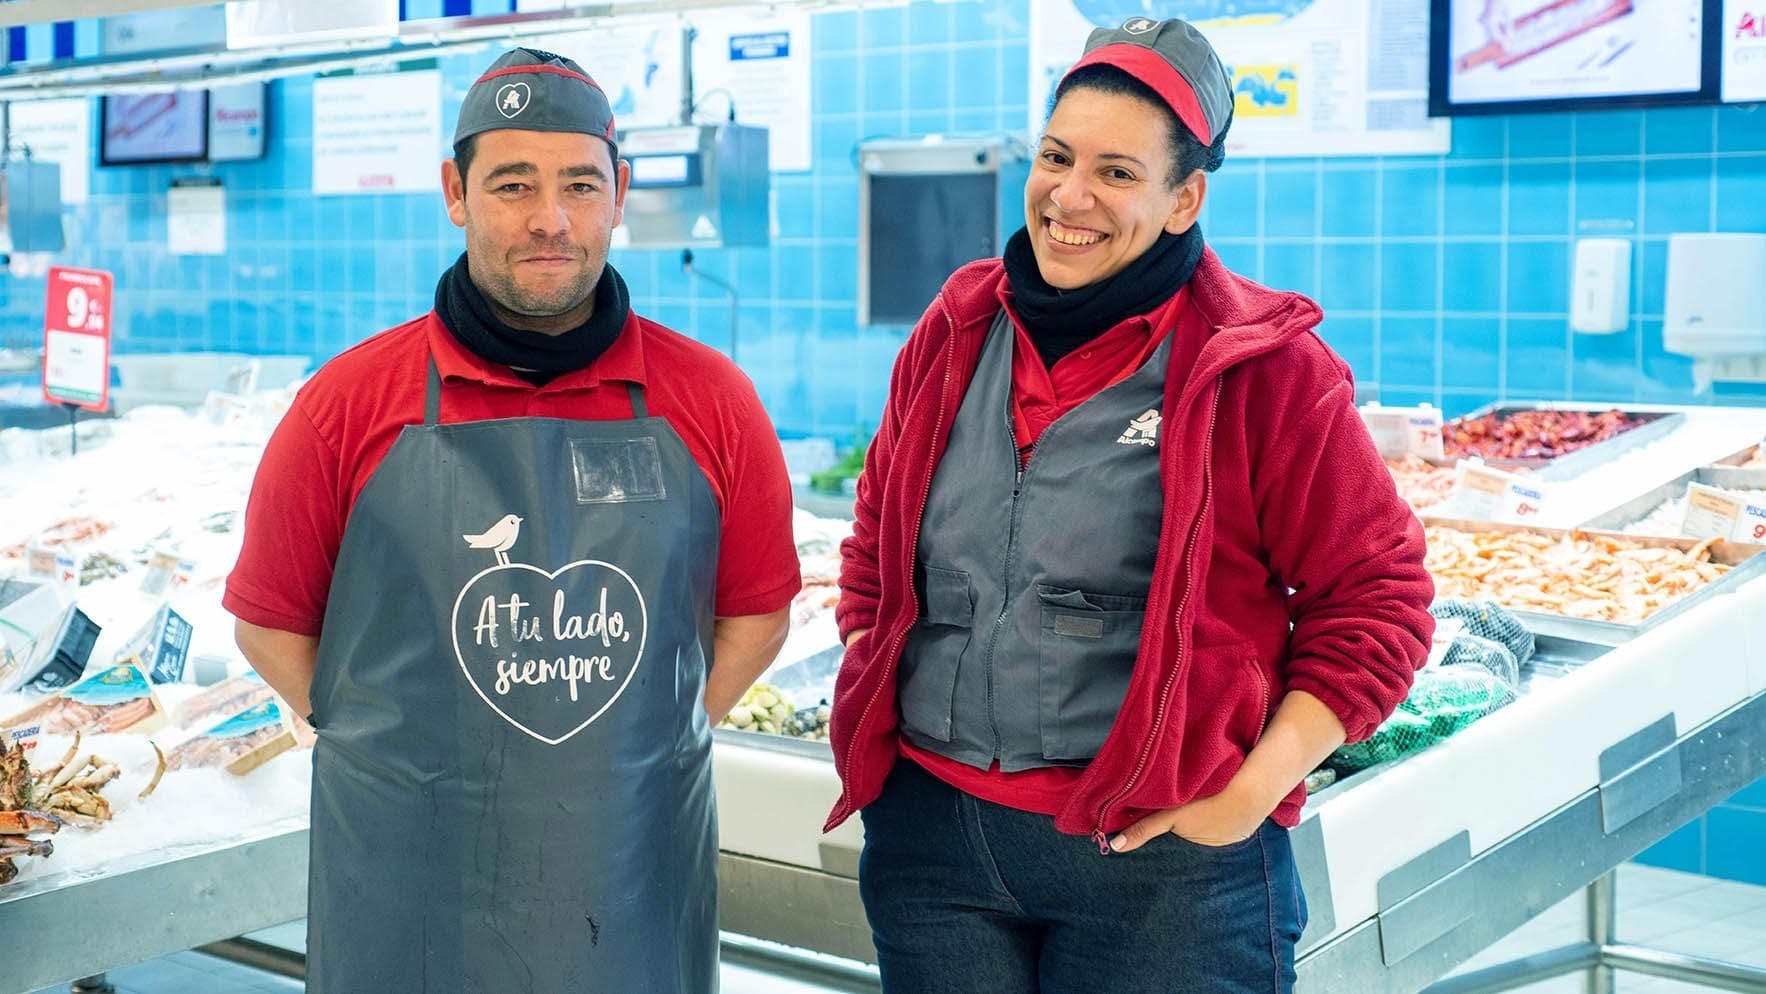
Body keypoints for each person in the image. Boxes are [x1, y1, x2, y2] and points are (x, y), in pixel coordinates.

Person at [826, 17, 1434, 993]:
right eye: (1057, 157)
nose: (1068, 197)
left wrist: (1244, 796)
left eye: (1115, 172)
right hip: (935, 845)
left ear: (1183, 197)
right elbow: (876, 548)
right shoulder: (954, 329)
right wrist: (872, 675)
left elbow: (1377, 602)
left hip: (1163, 870)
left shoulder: (1261, 369)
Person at [224, 47, 800, 993]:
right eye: (513, 184)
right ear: (455, 192)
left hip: (629, 878)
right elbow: (271, 621)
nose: (551, 219)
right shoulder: (346, 403)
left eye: (580, 183)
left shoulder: (713, 400)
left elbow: (757, 616)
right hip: (406, 879)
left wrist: (628, 743)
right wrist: (396, 741)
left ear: (618, 192)